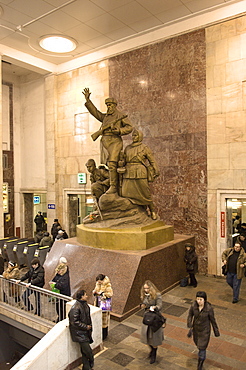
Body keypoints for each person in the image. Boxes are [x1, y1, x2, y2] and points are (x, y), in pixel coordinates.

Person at [83, 88, 133, 194]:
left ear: (115, 106)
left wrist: (119, 130)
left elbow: (129, 127)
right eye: (107, 105)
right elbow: (95, 113)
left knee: (112, 164)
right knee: (108, 164)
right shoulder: (106, 117)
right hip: (105, 142)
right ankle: (112, 183)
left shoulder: (120, 116)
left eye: (110, 105)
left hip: (115, 141)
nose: (109, 107)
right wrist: (88, 101)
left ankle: (114, 186)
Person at [122, 128, 160, 220]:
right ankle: (133, 211)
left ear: (140, 137)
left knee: (145, 192)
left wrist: (156, 170)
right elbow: (123, 160)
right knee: (125, 192)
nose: (134, 137)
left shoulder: (144, 148)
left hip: (140, 172)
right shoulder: (127, 148)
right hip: (128, 172)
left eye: (136, 135)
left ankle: (152, 211)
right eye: (133, 135)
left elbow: (152, 160)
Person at [187, 291, 220, 370]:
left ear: (204, 300)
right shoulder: (193, 306)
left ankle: (200, 364)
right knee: (198, 344)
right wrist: (189, 323)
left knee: (202, 348)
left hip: (204, 331)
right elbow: (190, 314)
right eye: (197, 299)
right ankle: (201, 356)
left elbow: (213, 320)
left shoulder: (209, 309)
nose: (199, 301)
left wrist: (216, 331)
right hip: (196, 330)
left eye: (200, 299)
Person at [68, 290, 94, 370]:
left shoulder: (84, 304)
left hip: (85, 332)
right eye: (85, 295)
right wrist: (86, 327)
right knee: (88, 351)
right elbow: (74, 322)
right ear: (81, 296)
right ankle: (91, 363)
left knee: (84, 352)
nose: (87, 296)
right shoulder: (76, 308)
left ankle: (86, 367)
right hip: (80, 333)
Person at [140, 280, 164, 364]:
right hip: (147, 318)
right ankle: (151, 350)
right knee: (146, 337)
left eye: (147, 288)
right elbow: (144, 304)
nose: (146, 290)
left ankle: (154, 353)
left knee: (154, 338)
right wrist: (143, 305)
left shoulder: (157, 295)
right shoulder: (144, 295)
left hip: (155, 318)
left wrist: (154, 307)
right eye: (145, 289)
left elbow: (160, 306)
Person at [93, 274, 113, 340]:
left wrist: (102, 294)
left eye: (99, 281)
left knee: (104, 320)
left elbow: (110, 294)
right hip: (98, 302)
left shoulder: (107, 285)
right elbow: (96, 289)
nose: (98, 283)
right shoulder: (97, 284)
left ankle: (104, 335)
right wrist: (95, 292)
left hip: (104, 303)